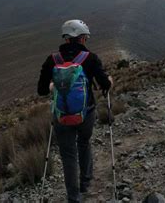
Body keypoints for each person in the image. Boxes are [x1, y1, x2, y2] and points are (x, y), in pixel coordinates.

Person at [37, 19, 112, 203]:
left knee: (68, 154)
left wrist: (53, 85)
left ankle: (73, 196)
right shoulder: (91, 58)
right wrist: (109, 80)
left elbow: (41, 90)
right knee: (84, 143)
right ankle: (86, 181)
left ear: (66, 38)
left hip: (61, 116)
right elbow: (105, 85)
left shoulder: (52, 60)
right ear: (81, 38)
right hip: (86, 113)